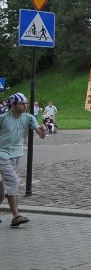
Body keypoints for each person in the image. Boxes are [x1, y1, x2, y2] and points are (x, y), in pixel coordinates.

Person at [0, 93, 46, 227]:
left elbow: (41, 135)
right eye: (22, 104)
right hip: (1, 153)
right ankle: (16, 215)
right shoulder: (3, 119)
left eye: (26, 103)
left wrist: (43, 130)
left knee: (4, 185)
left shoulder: (28, 118)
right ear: (13, 105)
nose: (25, 106)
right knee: (13, 181)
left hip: (16, 153)